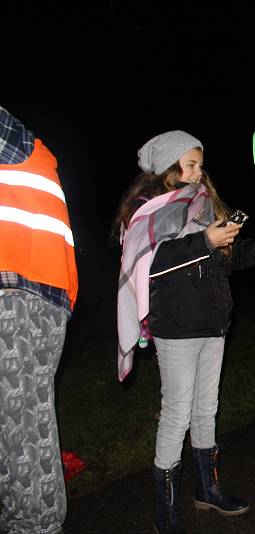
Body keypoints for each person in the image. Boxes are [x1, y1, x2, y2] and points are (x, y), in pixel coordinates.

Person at [113, 130, 255, 534]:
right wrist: (204, 240)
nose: (199, 172)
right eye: (191, 164)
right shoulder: (146, 210)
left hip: (214, 322)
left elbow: (231, 260)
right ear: (169, 168)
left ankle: (208, 489)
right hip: (177, 326)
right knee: (176, 414)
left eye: (200, 164)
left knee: (207, 409)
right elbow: (150, 265)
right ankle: (164, 510)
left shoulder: (206, 204)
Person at [0, 105, 78, 534]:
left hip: (18, 291)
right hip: (33, 294)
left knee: (20, 431)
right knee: (14, 433)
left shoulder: (16, 142)